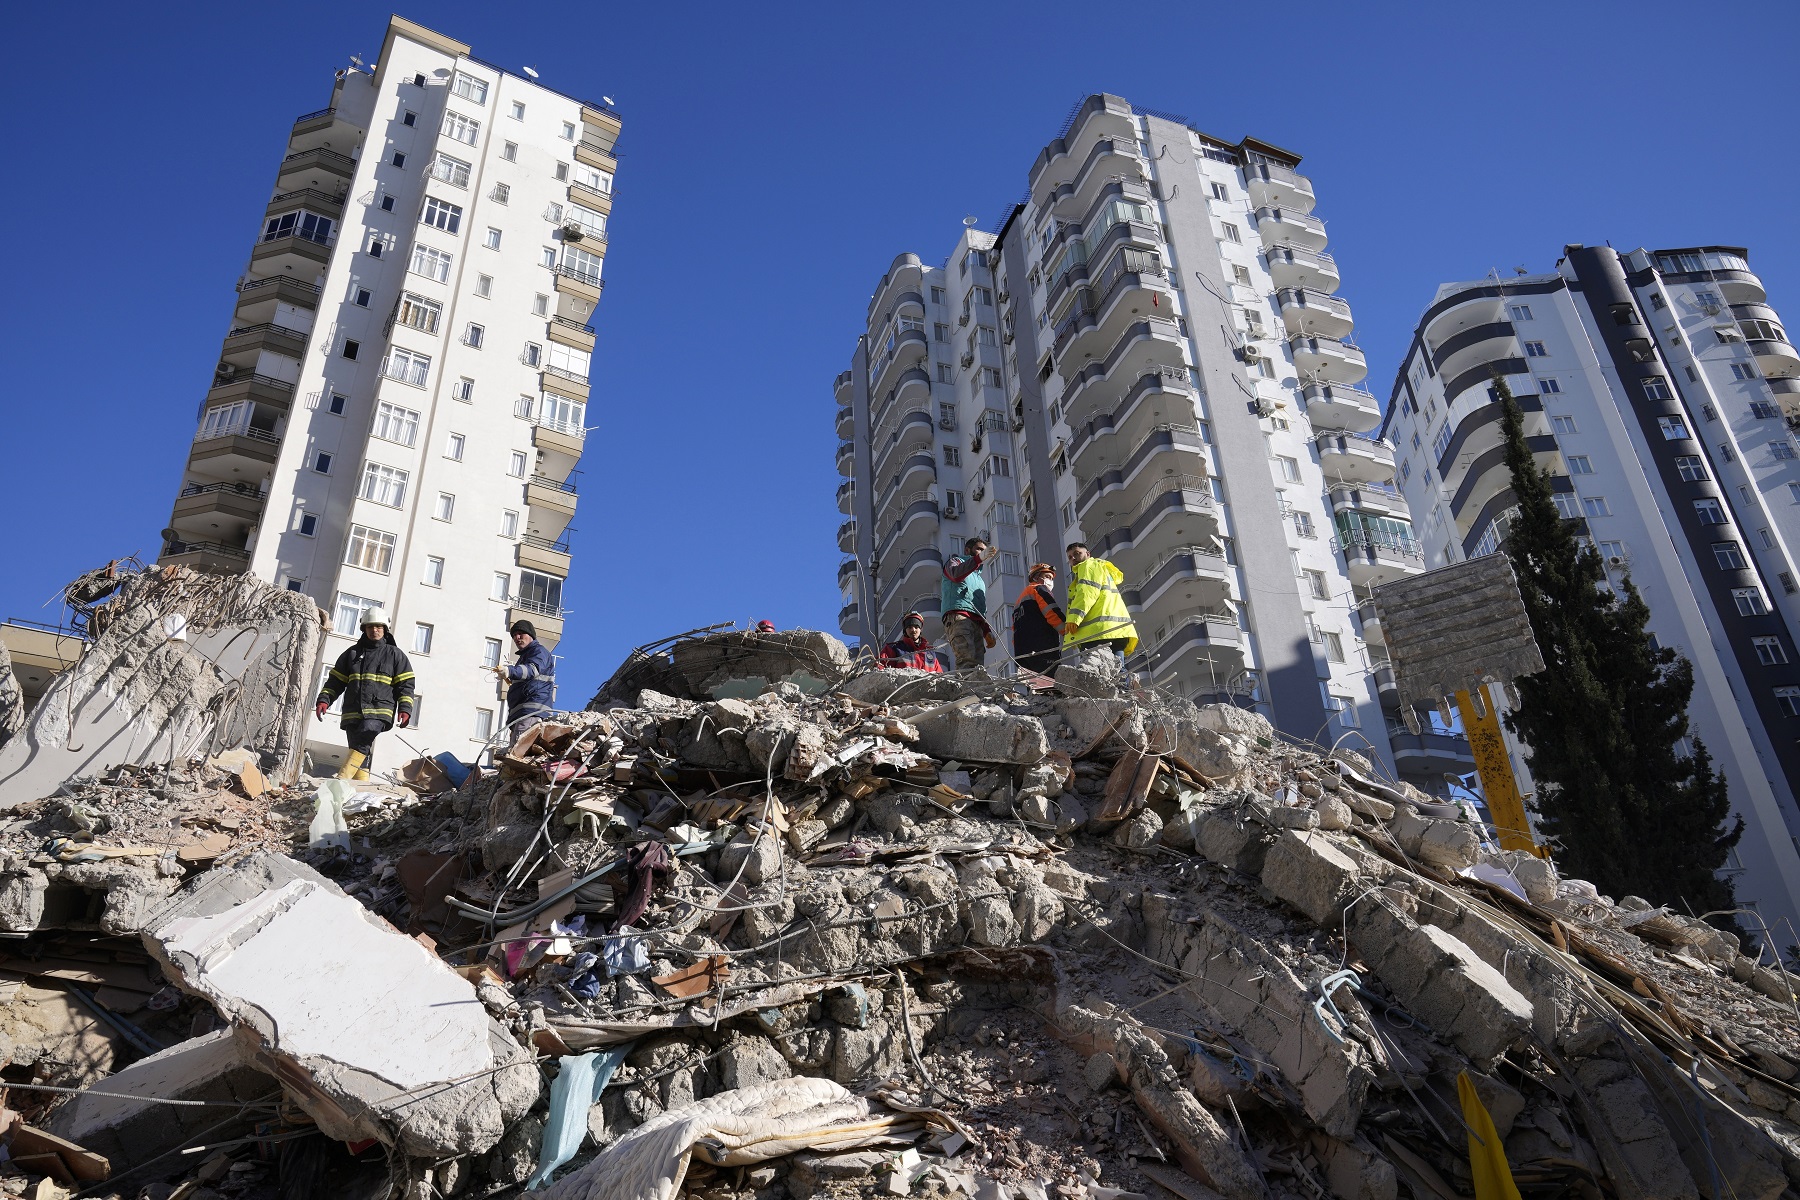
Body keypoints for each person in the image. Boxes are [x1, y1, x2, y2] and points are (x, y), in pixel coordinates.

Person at [315, 607, 415, 780]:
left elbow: (406, 685)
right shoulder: (351, 654)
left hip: (379, 711)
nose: (374, 630)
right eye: (370, 627)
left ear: (385, 629)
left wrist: (405, 709)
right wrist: (324, 700)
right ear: (364, 629)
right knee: (358, 748)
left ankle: (342, 779)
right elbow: (335, 682)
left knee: (366, 734)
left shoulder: (395, 655)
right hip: (352, 712)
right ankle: (360, 789)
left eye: (378, 626)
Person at [1062, 543, 1139, 673]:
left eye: (1077, 553)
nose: (1073, 558)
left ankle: (1118, 690)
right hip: (1115, 631)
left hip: (1097, 633)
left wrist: (1074, 618)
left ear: (1088, 554)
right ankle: (1123, 690)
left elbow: (1086, 592)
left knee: (1094, 672)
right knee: (1117, 669)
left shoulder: (1088, 566)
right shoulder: (1100, 568)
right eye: (1070, 557)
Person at [490, 619, 556, 735]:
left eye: (520, 633)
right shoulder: (526, 656)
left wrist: (510, 671)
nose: (517, 637)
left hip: (531, 712)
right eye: (514, 635)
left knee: (518, 751)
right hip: (523, 714)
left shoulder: (539, 651)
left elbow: (532, 669)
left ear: (530, 635)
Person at [938, 537, 995, 672]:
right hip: (958, 616)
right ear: (967, 550)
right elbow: (956, 575)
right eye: (979, 549)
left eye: (983, 550)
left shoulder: (979, 579)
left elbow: (980, 606)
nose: (981, 552)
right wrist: (978, 559)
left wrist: (986, 630)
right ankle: (966, 692)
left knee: (978, 665)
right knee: (966, 658)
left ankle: (976, 691)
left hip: (976, 621)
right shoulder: (955, 562)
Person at [1011, 563, 1065, 674]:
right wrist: (1069, 632)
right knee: (1049, 686)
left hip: (1022, 654)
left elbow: (1015, 630)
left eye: (1051, 578)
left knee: (1034, 688)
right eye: (1047, 577)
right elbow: (1052, 612)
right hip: (1042, 649)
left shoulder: (1019, 601)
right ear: (1036, 577)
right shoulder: (1038, 589)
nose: (1050, 580)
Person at [878, 612, 945, 672]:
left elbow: (939, 677)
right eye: (909, 627)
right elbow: (879, 669)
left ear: (921, 629)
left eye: (916, 627)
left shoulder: (930, 654)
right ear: (905, 630)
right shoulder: (893, 649)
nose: (913, 630)